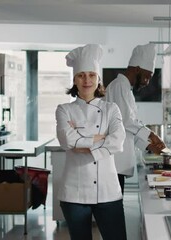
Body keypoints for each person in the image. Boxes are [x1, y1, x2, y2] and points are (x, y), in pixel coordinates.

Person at [55, 44, 127, 240]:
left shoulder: (111, 109)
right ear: (75, 80)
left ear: (98, 79)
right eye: (81, 75)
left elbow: (118, 141)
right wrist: (99, 138)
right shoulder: (64, 109)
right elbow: (66, 139)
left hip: (108, 191)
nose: (87, 80)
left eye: (91, 75)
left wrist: (84, 144)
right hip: (74, 194)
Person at [104, 43, 166, 194]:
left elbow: (128, 129)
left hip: (119, 162)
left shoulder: (126, 89)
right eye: (146, 76)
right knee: (114, 206)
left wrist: (149, 146)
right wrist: (152, 134)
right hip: (113, 162)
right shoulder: (119, 86)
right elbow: (126, 121)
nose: (147, 82)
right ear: (137, 69)